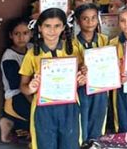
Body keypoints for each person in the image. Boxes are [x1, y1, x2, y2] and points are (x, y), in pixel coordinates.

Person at [19, 8, 86, 149]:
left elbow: (82, 74)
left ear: (63, 27)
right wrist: (31, 87)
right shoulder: (32, 54)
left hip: (70, 106)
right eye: (47, 26)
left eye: (57, 26)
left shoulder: (73, 50)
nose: (52, 30)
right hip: (43, 109)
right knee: (45, 144)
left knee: (70, 144)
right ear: (40, 28)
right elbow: (23, 87)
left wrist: (82, 78)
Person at [73, 4, 109, 146]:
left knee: (99, 115)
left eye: (94, 18)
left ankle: (95, 142)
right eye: (85, 19)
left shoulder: (104, 40)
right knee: (83, 115)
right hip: (82, 88)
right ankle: (83, 143)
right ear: (77, 21)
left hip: (101, 86)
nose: (90, 22)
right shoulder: (71, 44)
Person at [0, 18, 32, 143]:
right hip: (16, 97)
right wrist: (34, 102)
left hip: (32, 92)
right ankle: (9, 123)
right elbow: (18, 86)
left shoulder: (32, 48)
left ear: (31, 34)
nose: (21, 37)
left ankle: (12, 123)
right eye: (17, 34)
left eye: (25, 33)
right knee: (39, 116)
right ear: (10, 36)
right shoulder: (9, 57)